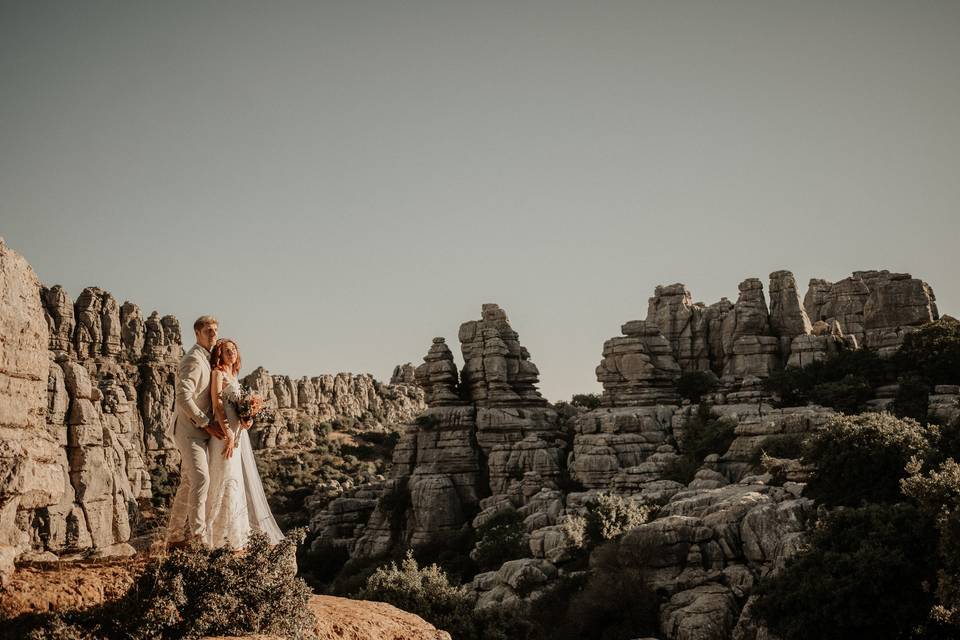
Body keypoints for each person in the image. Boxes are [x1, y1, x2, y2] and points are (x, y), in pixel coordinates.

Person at [205, 338, 284, 549]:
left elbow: (237, 408)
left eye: (233, 350)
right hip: (223, 435)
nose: (231, 353)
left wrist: (247, 418)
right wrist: (229, 434)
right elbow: (217, 406)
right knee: (222, 478)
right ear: (219, 355)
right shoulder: (218, 374)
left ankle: (234, 534)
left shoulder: (234, 376)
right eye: (226, 350)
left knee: (235, 480)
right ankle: (217, 536)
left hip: (238, 435)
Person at [167, 315, 225, 548]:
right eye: (208, 330)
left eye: (215, 330)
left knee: (189, 482)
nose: (213, 334)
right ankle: (199, 538)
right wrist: (205, 422)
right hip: (190, 431)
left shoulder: (210, 358)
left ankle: (174, 536)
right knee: (201, 478)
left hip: (205, 433)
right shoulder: (192, 359)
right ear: (198, 333)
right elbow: (183, 397)